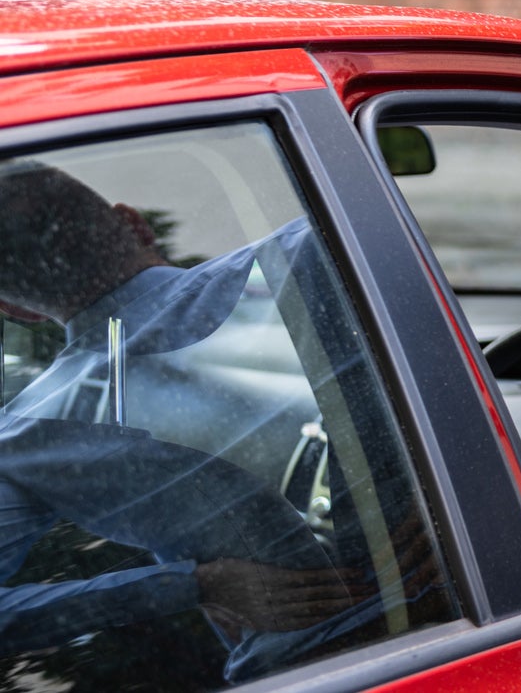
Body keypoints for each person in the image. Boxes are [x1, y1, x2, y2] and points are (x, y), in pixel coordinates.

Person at [0, 162, 401, 675]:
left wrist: (197, 584)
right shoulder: (318, 255)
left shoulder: (23, 440)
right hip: (459, 608)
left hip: (302, 670)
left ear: (16, 310)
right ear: (134, 222)